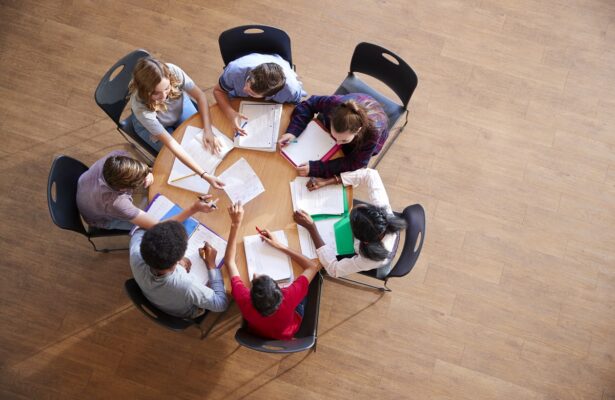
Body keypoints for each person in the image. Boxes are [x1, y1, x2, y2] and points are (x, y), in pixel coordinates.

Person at [223, 202, 320, 340]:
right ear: (280, 291)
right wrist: (280, 245)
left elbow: (229, 262)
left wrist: (235, 224)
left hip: (256, 332)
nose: (256, 275)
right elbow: (312, 267)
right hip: (287, 331)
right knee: (302, 282)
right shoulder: (289, 296)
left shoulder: (243, 298)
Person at [129, 56, 224, 189]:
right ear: (145, 92)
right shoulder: (140, 108)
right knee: (175, 160)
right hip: (153, 125)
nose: (164, 97)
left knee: (201, 138)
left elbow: (200, 96)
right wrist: (204, 174)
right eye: (156, 93)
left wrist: (208, 130)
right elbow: (172, 144)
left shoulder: (173, 71)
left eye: (167, 88)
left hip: (177, 106)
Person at [295, 168, 406, 279]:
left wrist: (312, 228)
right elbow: (370, 174)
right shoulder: (384, 212)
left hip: (359, 250)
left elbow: (333, 270)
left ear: (363, 241)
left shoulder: (369, 260)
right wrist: (329, 181)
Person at [76, 151, 217, 230]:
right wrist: (193, 208)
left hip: (86, 189)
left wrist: (147, 173)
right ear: (124, 188)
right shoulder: (117, 203)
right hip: (99, 217)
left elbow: (144, 169)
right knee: (150, 226)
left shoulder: (115, 159)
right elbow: (158, 226)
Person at [130, 220, 229, 318]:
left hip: (152, 296)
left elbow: (139, 230)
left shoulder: (135, 253)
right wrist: (211, 264)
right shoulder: (187, 285)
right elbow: (221, 304)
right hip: (182, 311)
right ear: (177, 260)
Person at [278, 94, 388, 178]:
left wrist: (317, 168)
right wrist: (293, 131)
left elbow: (356, 162)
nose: (337, 143)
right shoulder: (333, 104)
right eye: (334, 136)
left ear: (358, 130)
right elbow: (309, 104)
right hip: (354, 103)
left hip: (363, 142)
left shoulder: (373, 133)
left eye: (344, 140)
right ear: (331, 117)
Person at [213, 53, 306, 135]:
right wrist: (230, 113)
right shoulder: (234, 70)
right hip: (237, 98)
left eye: (251, 93)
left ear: (269, 95)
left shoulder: (291, 91)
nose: (244, 89)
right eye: (247, 81)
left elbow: (293, 107)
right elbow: (218, 91)